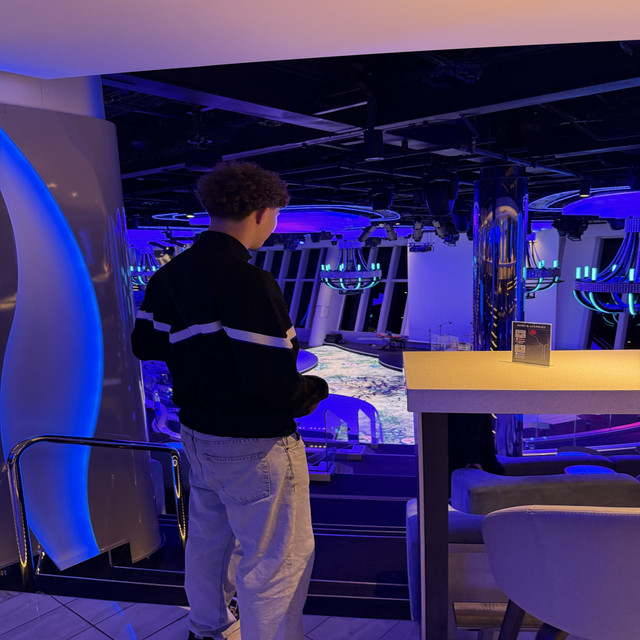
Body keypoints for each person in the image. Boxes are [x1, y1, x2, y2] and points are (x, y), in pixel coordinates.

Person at [131, 161, 329, 640]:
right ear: (262, 212)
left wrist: (200, 352)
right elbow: (273, 383)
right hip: (255, 443)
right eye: (275, 215)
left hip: (198, 434)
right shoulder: (249, 282)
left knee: (209, 543)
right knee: (278, 559)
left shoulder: (170, 276)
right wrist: (315, 390)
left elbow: (145, 344)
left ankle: (209, 628)